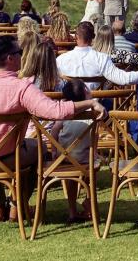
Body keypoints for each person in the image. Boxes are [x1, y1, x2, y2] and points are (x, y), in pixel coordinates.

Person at [0, 35, 105, 222]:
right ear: (10, 58)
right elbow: (54, 110)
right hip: (7, 157)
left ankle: (0, 207)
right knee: (39, 148)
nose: (23, 56)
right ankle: (17, 205)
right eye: (20, 52)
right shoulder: (21, 88)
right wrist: (89, 103)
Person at [50, 78, 97, 223]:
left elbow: (54, 131)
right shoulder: (92, 113)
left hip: (64, 157)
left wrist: (54, 150)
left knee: (71, 181)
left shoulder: (64, 114)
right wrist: (95, 152)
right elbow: (95, 136)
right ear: (85, 92)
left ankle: (72, 210)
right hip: (85, 158)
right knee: (91, 173)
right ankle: (89, 201)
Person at [57, 22, 138, 88]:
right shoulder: (102, 58)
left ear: (76, 37)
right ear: (93, 37)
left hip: (69, 105)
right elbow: (123, 78)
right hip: (96, 105)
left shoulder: (61, 59)